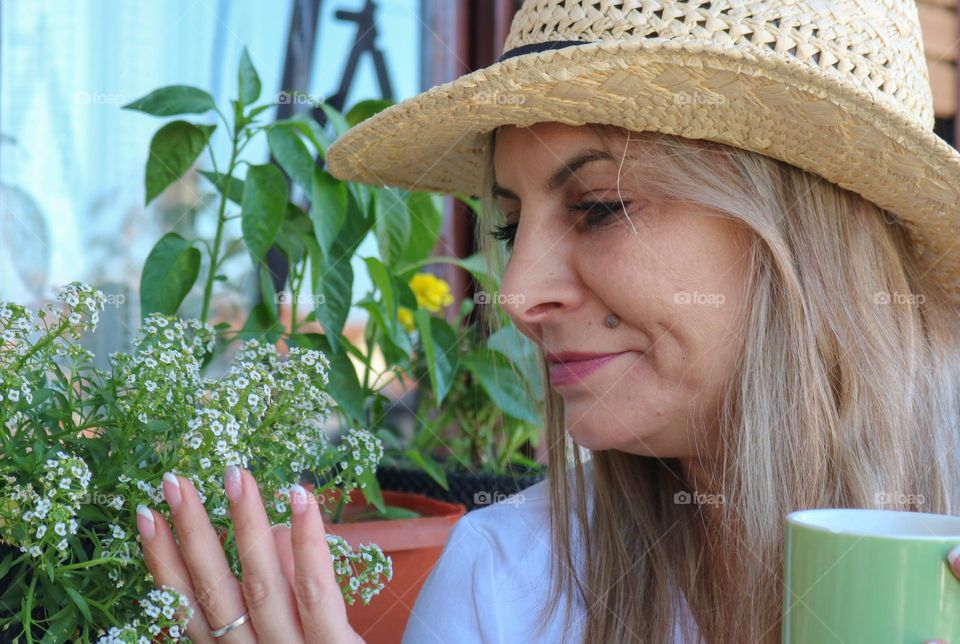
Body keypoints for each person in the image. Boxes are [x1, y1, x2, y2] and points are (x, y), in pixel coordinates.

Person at [137, 0, 960, 642]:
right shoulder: (506, 585)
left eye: (600, 207)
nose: (520, 295)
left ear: (804, 236)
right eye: (506, 226)